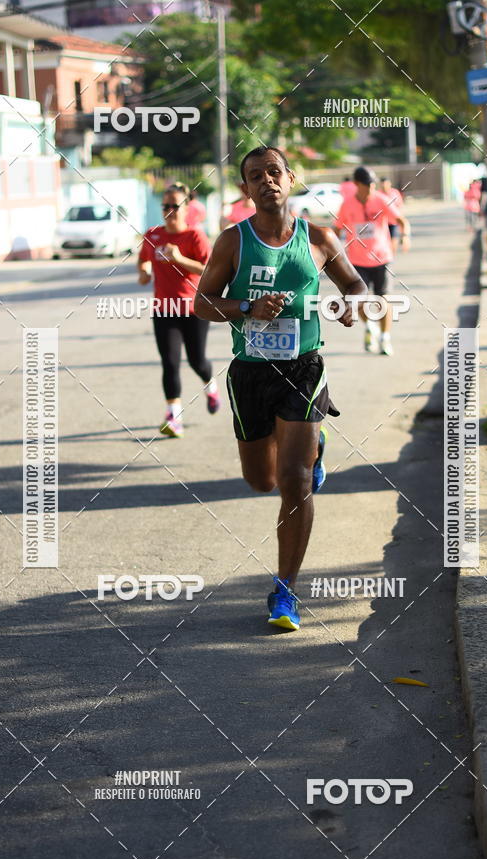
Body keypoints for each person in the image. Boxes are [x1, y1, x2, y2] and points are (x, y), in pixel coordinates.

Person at [194, 146, 366, 631]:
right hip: (250, 373)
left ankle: (286, 590)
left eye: (275, 172)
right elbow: (202, 303)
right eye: (255, 176)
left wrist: (352, 306)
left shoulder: (319, 238)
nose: (267, 180)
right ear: (245, 189)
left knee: (294, 480)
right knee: (261, 481)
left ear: (291, 179)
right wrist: (247, 307)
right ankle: (315, 449)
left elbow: (355, 285)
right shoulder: (233, 242)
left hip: (304, 368)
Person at [138, 183, 220, 438]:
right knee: (170, 363)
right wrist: (144, 271)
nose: (170, 211)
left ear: (187, 208)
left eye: (175, 205)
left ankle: (211, 385)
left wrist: (179, 259)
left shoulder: (195, 236)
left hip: (194, 309)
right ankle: (174, 418)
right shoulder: (152, 235)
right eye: (165, 206)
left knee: (197, 361)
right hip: (164, 309)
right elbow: (143, 261)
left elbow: (210, 271)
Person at [335, 166, 411, 356]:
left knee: (383, 300)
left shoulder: (381, 200)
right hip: (356, 260)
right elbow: (337, 228)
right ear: (356, 185)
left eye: (372, 184)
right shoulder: (347, 204)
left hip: (381, 258)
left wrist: (406, 236)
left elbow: (401, 220)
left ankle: (385, 338)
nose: (371, 188)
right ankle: (370, 327)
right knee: (358, 301)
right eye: (367, 185)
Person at [379, 177, 403, 253]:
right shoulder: (378, 194)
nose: (384, 186)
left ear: (389, 184)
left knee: (394, 239)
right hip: (383, 222)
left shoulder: (395, 193)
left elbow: (399, 205)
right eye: (382, 184)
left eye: (385, 184)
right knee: (384, 241)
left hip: (393, 221)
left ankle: (392, 255)